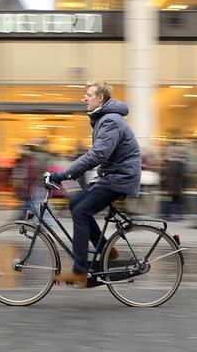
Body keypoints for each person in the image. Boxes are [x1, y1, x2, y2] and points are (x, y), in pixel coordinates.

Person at [49, 81, 141, 286]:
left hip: (119, 179)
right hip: (113, 176)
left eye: (89, 94)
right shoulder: (105, 119)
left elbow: (98, 154)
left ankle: (80, 271)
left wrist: (64, 174)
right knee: (75, 205)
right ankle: (107, 249)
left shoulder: (110, 121)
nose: (85, 98)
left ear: (100, 98)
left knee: (81, 211)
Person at [160, 145, 187, 222]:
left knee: (173, 201)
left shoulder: (173, 163)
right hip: (175, 188)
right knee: (174, 202)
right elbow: (177, 177)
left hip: (174, 187)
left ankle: (172, 215)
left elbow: (173, 177)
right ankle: (174, 215)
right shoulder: (177, 163)